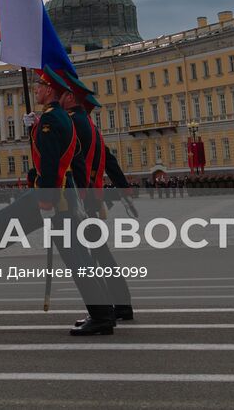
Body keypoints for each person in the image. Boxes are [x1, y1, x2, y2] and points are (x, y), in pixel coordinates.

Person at [0, 73, 116, 336]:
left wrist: (47, 199)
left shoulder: (52, 119)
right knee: (15, 229)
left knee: (65, 253)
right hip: (63, 195)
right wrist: (36, 126)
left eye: (40, 86)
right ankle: (104, 314)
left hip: (55, 197)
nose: (36, 89)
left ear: (49, 89)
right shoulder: (58, 118)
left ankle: (103, 316)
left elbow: (50, 162)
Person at [69, 87, 135, 322]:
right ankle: (122, 305)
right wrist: (124, 189)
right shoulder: (93, 130)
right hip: (93, 198)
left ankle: (105, 309)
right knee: (100, 254)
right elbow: (111, 162)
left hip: (82, 199)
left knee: (90, 257)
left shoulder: (75, 124)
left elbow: (71, 159)